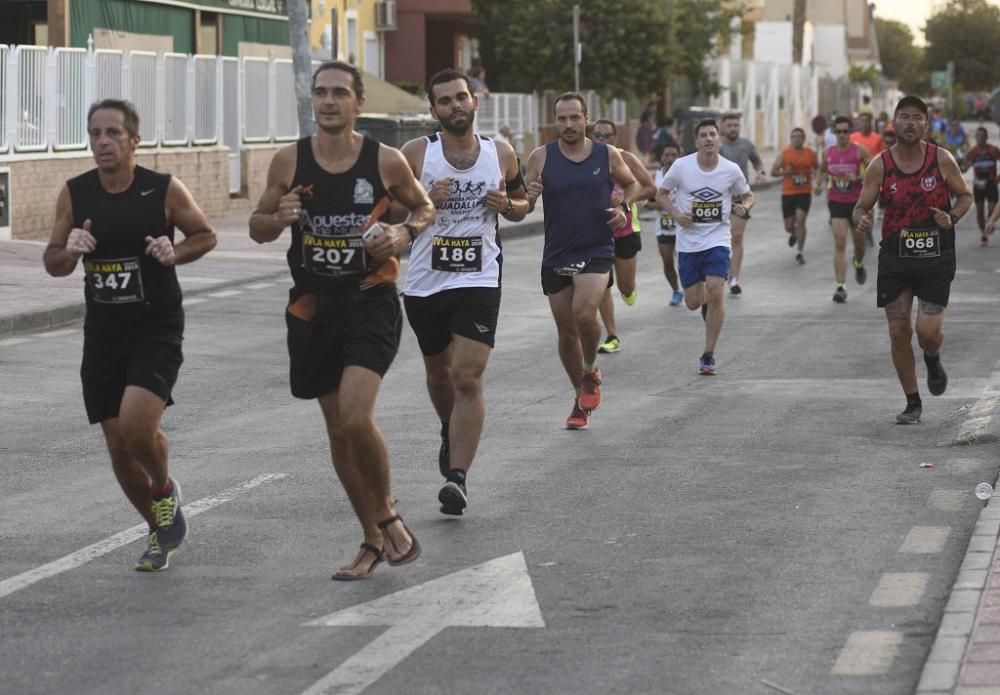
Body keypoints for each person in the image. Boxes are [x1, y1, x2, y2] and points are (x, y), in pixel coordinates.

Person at [249, 61, 435, 579]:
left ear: (358, 103)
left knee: (355, 415)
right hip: (312, 306)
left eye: (338, 93)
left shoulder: (387, 160)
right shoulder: (289, 162)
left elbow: (423, 210)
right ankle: (372, 539)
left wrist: (403, 235)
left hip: (369, 298)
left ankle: (389, 514)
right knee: (337, 430)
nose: (328, 101)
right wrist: (276, 217)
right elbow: (257, 227)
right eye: (320, 93)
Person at [43, 99, 217, 572]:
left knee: (139, 425)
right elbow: (53, 260)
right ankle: (159, 528)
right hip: (103, 333)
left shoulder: (161, 189)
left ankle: (162, 489)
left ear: (134, 141)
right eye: (95, 133)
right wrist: (70, 251)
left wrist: (174, 252)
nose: (102, 142)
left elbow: (204, 235)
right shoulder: (75, 193)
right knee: (118, 442)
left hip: (155, 327)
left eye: (112, 133)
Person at [398, 69, 527, 516]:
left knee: (467, 376)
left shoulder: (502, 153)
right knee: (439, 374)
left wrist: (507, 205)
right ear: (433, 110)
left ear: (475, 102)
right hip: (425, 281)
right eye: (445, 101)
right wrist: (423, 199)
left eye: (461, 98)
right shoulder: (415, 154)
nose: (455, 106)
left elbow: (524, 204)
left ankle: (458, 477)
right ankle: (447, 427)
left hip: (479, 277)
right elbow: (391, 209)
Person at [523, 92, 638, 430]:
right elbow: (523, 206)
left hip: (596, 249)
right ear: (555, 121)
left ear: (586, 118)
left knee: (585, 313)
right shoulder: (540, 157)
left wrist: (622, 208)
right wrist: (527, 200)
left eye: (575, 118)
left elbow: (631, 185)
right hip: (557, 252)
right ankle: (579, 396)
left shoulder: (607, 154)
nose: (568, 125)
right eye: (562, 119)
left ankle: (590, 370)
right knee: (565, 332)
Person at [854, 96, 972, 424]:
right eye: (903, 117)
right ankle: (912, 401)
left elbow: (965, 196)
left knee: (928, 333)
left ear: (926, 124)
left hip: (936, 256)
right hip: (895, 256)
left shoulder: (941, 159)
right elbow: (861, 206)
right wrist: (861, 218)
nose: (910, 123)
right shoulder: (880, 164)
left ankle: (932, 359)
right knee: (897, 330)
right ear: (893, 123)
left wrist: (952, 216)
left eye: (917, 118)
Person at [656, 118, 753, 375]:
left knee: (716, 292)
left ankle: (708, 354)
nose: (709, 139)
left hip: (717, 239)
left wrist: (746, 206)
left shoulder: (730, 170)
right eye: (704, 135)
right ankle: (705, 306)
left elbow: (748, 194)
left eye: (713, 134)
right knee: (692, 302)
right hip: (688, 243)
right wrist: (676, 214)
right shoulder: (681, 166)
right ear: (696, 141)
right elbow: (661, 194)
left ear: (718, 139)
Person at [590, 119, 657, 355]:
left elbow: (650, 187)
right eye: (597, 135)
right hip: (597, 233)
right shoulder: (585, 159)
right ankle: (611, 335)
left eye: (606, 135)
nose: (601, 139)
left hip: (626, 231)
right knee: (601, 285)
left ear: (615, 138)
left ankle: (629, 290)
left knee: (624, 286)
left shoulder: (626, 159)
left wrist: (626, 200)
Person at [816, 116, 871, 302]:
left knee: (859, 245)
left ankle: (859, 262)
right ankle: (841, 286)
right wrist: (818, 185)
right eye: (838, 131)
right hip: (836, 201)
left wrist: (858, 177)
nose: (841, 135)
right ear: (834, 132)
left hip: (857, 204)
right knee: (839, 243)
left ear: (850, 132)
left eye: (845, 131)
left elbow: (874, 170)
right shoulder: (828, 152)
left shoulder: (859, 151)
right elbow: (823, 169)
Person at [719, 112, 765, 295]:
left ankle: (734, 278)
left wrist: (760, 172)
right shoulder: (717, 146)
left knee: (736, 237)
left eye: (735, 125)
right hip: (719, 199)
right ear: (722, 127)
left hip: (739, 199)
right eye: (729, 125)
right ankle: (721, 270)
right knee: (722, 238)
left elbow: (757, 161)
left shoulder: (746, 145)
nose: (733, 128)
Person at [771, 128, 818, 261]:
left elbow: (818, 167)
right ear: (791, 139)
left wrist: (816, 177)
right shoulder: (785, 154)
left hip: (804, 192)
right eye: (794, 137)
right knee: (789, 226)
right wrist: (785, 172)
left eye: (799, 137)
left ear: (803, 139)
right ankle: (794, 234)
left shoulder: (810, 153)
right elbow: (773, 172)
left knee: (801, 221)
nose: (797, 139)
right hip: (788, 193)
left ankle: (800, 252)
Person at [647, 142, 685, 306]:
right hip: (663, 226)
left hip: (682, 226)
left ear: (679, 157)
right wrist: (662, 206)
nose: (670, 159)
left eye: (673, 155)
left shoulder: (685, 175)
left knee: (684, 262)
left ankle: (692, 288)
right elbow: (646, 203)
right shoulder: (655, 177)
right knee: (668, 263)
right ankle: (676, 290)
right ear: (661, 157)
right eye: (666, 155)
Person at [961, 126, 1000, 246]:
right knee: (979, 212)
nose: (980, 138)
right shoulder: (973, 152)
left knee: (992, 209)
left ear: (987, 137)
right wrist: (963, 167)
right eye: (978, 136)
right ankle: (984, 234)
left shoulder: (993, 150)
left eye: (982, 136)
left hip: (991, 183)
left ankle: (990, 221)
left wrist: (999, 177)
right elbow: (965, 168)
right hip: (978, 185)